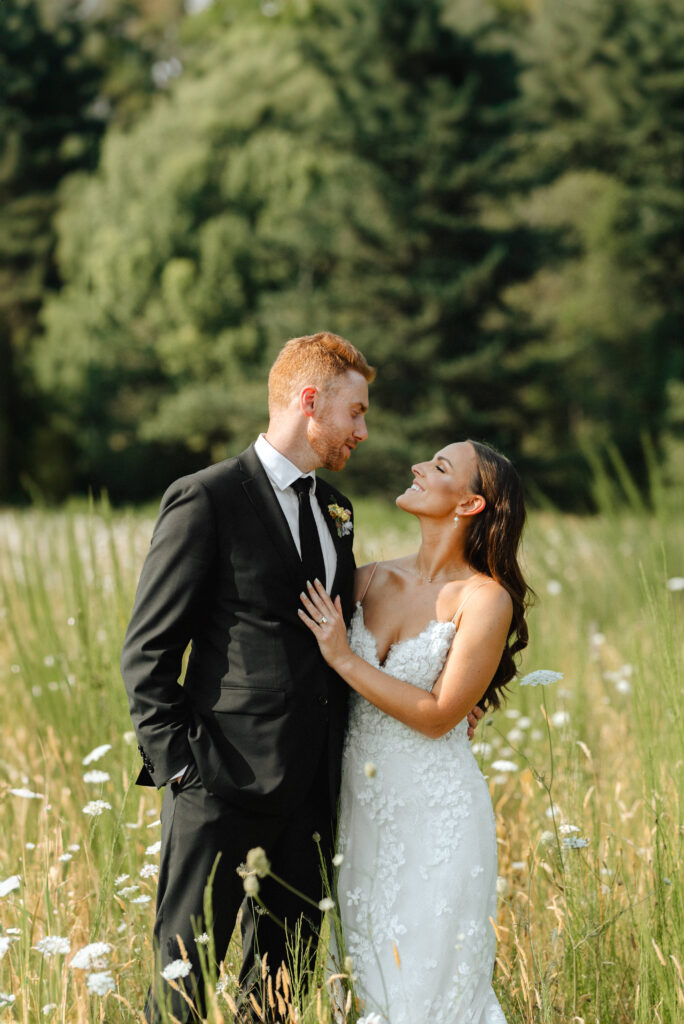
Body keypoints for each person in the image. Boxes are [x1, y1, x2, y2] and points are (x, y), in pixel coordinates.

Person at [120, 332, 374, 1022]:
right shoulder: (206, 498)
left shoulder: (336, 512)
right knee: (182, 989)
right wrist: (181, 771)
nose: (363, 430)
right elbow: (146, 652)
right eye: (354, 413)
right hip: (216, 788)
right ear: (309, 400)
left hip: (310, 800)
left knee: (278, 998)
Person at [299, 439, 532, 1024]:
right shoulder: (367, 578)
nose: (417, 467)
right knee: (362, 984)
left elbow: (437, 715)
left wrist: (344, 658)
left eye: (439, 466)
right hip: (359, 811)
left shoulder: (485, 598)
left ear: (469, 505)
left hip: (437, 818)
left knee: (422, 993)